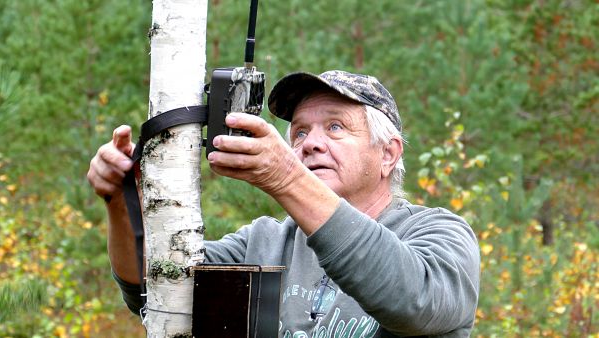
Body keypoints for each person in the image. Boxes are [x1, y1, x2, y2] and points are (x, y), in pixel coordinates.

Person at [87, 70, 480, 337]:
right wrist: (121, 201)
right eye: (300, 132)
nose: (309, 143)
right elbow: (153, 287)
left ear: (388, 154)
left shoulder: (440, 234)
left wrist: (287, 177)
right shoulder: (263, 241)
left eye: (336, 127)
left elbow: (416, 302)